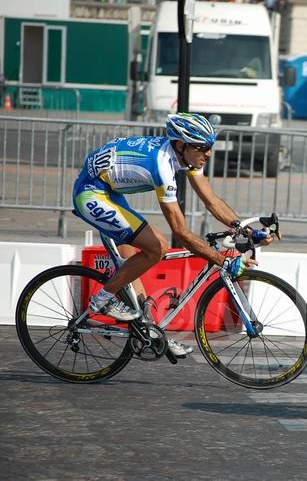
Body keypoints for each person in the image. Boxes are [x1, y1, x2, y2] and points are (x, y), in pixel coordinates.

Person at [72, 113, 274, 357]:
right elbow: (181, 230)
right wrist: (223, 260)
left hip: (110, 191)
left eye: (210, 147)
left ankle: (150, 331)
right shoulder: (162, 166)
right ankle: (102, 300)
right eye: (202, 148)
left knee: (150, 252)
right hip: (91, 193)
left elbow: (211, 201)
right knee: (157, 248)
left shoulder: (186, 157)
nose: (208, 154)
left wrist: (246, 230)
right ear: (181, 145)